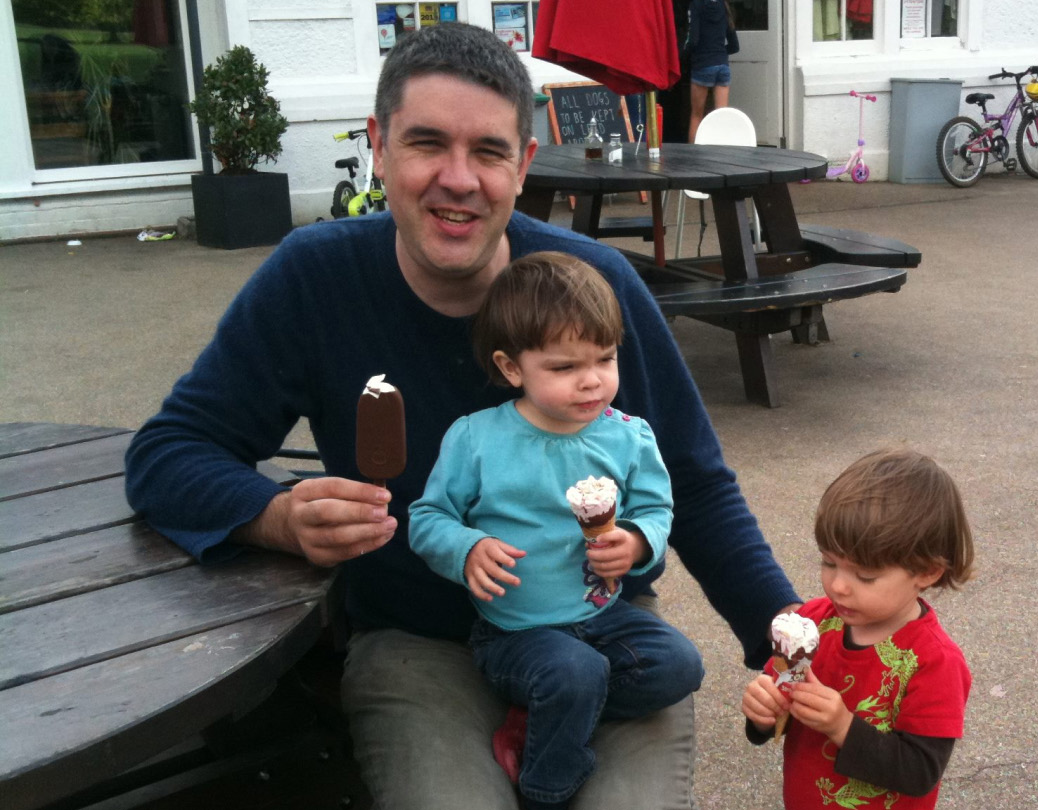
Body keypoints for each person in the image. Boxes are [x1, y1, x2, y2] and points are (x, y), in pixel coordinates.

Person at [124, 22, 799, 810]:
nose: (458, 179)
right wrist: (274, 518)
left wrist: (785, 635)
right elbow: (169, 453)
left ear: (522, 163)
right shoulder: (316, 280)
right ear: (379, 147)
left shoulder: (593, 283)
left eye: (487, 151)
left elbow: (694, 482)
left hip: (596, 622)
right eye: (426, 144)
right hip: (417, 639)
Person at [409, 252, 704, 809]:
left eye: (605, 358)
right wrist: (466, 547)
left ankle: (548, 713)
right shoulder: (476, 438)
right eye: (565, 367)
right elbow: (427, 518)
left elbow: (658, 509)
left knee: (679, 666)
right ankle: (546, 787)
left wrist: (638, 543)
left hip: (604, 615)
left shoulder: (629, 436)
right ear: (512, 367)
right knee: (574, 672)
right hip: (514, 632)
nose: (592, 381)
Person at [741, 449, 975, 810]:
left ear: (927, 572)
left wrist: (842, 727)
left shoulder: (934, 661)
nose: (839, 586)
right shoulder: (813, 622)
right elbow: (778, 713)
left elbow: (920, 772)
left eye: (866, 575)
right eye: (829, 562)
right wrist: (762, 713)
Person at [686, 0, 740, 143]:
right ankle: (720, 155)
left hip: (702, 64)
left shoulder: (696, 4)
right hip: (722, 66)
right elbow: (735, 46)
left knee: (697, 114)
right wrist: (720, 53)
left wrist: (685, 55)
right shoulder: (724, 6)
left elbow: (693, 40)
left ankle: (692, 153)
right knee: (720, 116)